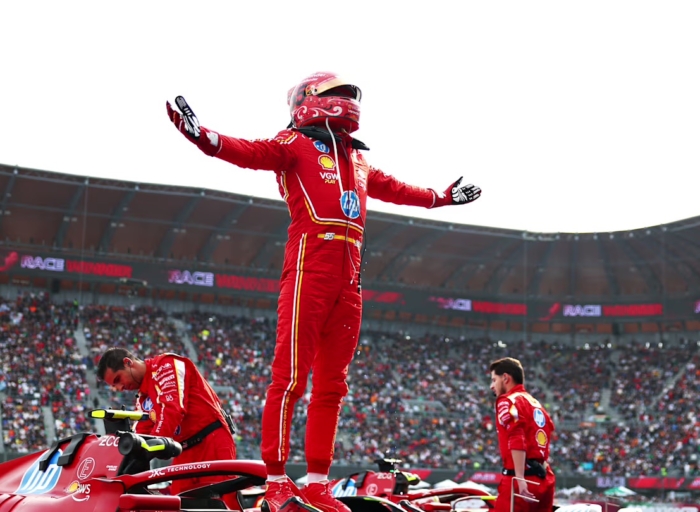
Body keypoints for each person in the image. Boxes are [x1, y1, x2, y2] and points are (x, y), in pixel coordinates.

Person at [166, 71, 482, 512]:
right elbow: (249, 153)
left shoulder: (359, 159)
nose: (345, 100)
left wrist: (441, 197)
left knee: (333, 385)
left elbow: (396, 189)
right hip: (309, 267)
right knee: (290, 378)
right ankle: (276, 480)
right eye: (335, 93)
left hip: (349, 277)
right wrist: (203, 136)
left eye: (346, 95)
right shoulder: (293, 142)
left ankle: (317, 484)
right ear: (307, 100)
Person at [97, 347, 238, 507]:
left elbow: (173, 409)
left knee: (226, 503)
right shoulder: (142, 399)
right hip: (183, 452)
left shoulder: (167, 365)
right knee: (178, 505)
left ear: (128, 363)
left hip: (211, 442)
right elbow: (141, 433)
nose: (119, 388)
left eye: (118, 379)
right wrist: (122, 461)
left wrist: (152, 446)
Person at [489, 357, 556, 512]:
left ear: (505, 378)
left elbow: (516, 436)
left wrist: (519, 478)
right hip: (544, 478)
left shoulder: (506, 401)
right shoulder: (536, 404)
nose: (491, 386)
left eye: (494, 380)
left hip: (520, 479)